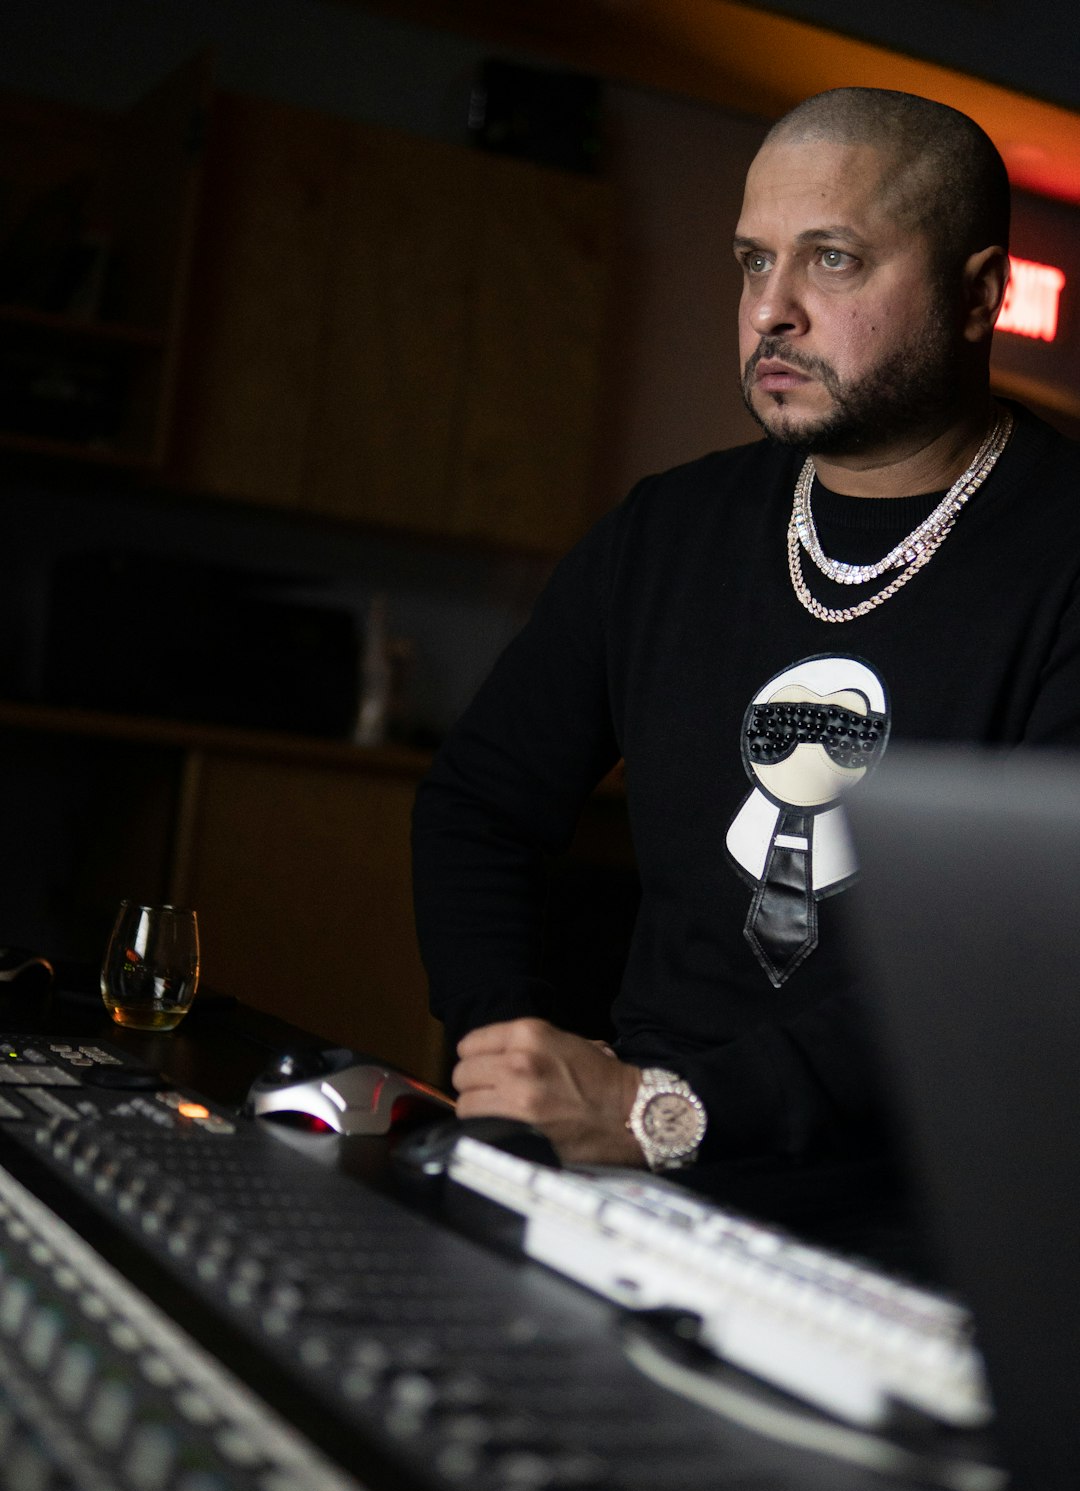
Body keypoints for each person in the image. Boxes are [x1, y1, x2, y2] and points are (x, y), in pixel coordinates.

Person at [411, 87, 1080, 1175]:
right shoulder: (665, 530)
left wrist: (666, 1112)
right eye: (752, 260)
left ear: (981, 298)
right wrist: (509, 1062)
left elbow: (1026, 966)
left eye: (833, 260)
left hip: (918, 1215)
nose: (772, 308)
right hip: (634, 1174)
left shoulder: (1060, 556)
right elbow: (477, 805)